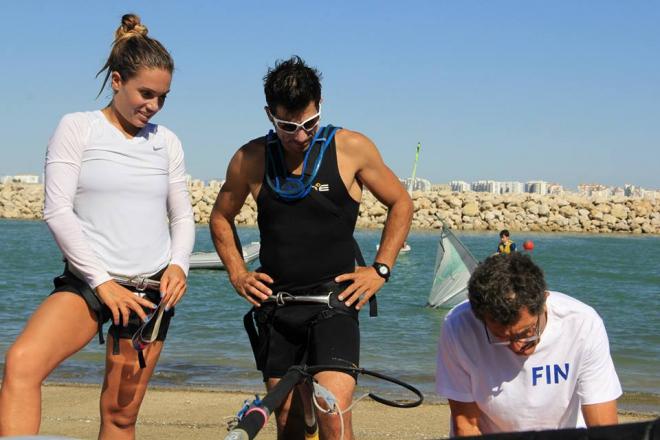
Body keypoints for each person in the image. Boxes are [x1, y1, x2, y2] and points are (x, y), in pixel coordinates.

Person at [0, 14, 195, 438]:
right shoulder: (77, 127)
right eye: (146, 93)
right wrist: (103, 282)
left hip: (150, 293)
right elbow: (56, 211)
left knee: (121, 416)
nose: (153, 106)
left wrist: (179, 265)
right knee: (21, 364)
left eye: (162, 97)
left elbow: (182, 215)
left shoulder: (168, 142)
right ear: (118, 81)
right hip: (90, 283)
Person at [210, 56, 413, 440]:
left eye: (308, 124)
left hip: (334, 305)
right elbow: (221, 217)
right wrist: (238, 273)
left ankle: (313, 412)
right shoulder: (250, 158)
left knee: (332, 415)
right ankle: (300, 414)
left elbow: (401, 203)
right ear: (269, 114)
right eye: (287, 127)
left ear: (320, 105)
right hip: (277, 308)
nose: (300, 136)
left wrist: (381, 268)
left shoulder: (351, 148)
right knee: (286, 422)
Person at [436, 253, 621, 436]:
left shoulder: (583, 323)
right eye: (500, 336)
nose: (518, 347)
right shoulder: (458, 326)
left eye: (526, 333)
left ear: (544, 302)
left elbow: (603, 426)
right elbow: (466, 426)